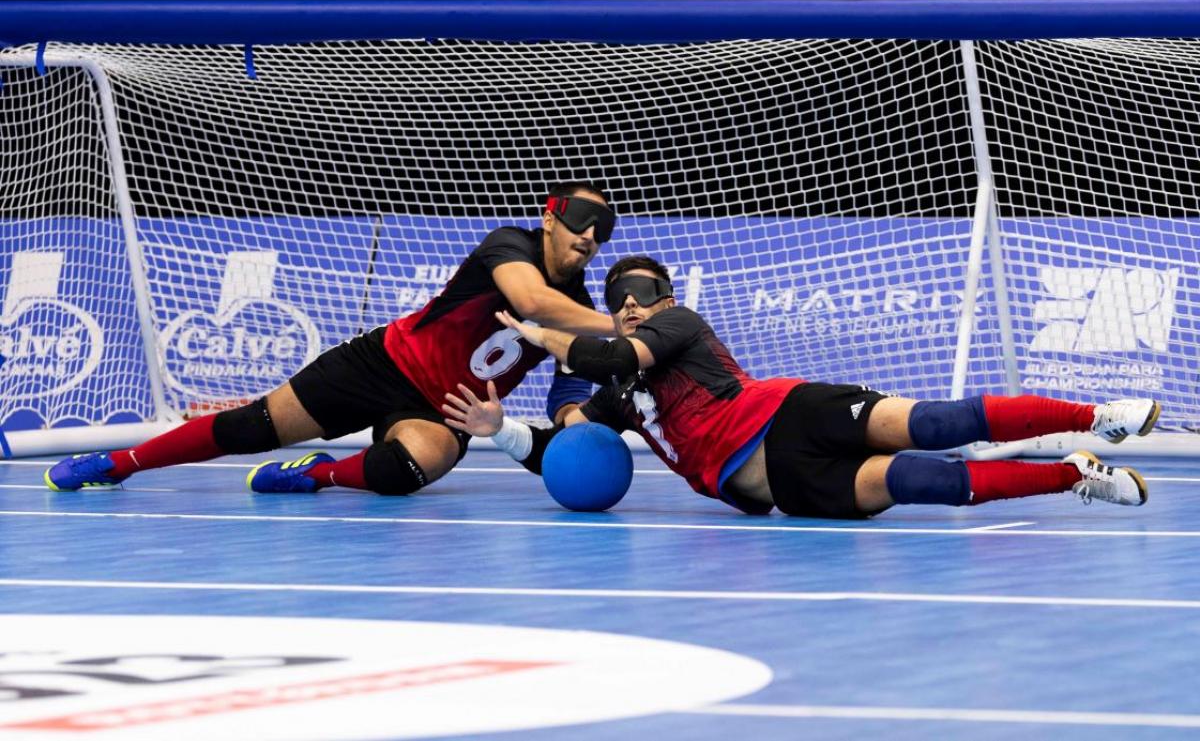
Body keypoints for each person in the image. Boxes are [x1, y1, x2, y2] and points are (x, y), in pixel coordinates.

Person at [442, 255, 1156, 518]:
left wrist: (543, 333)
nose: (630, 301)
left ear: (661, 299)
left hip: (791, 413)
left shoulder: (677, 326)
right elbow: (563, 449)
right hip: (779, 487)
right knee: (925, 483)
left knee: (941, 422)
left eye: (642, 291)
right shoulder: (618, 392)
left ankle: (1099, 414)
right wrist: (498, 431)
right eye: (618, 294)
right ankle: (1073, 475)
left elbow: (610, 350)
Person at [44, 182, 618, 496]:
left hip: (444, 409)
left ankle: (317, 474)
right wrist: (620, 327)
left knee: (412, 470)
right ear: (549, 218)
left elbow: (566, 395)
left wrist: (573, 430)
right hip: (383, 363)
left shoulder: (583, 313)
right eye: (581, 220)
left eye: (603, 231)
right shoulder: (509, 245)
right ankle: (120, 461)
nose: (591, 236)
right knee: (251, 428)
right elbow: (532, 302)